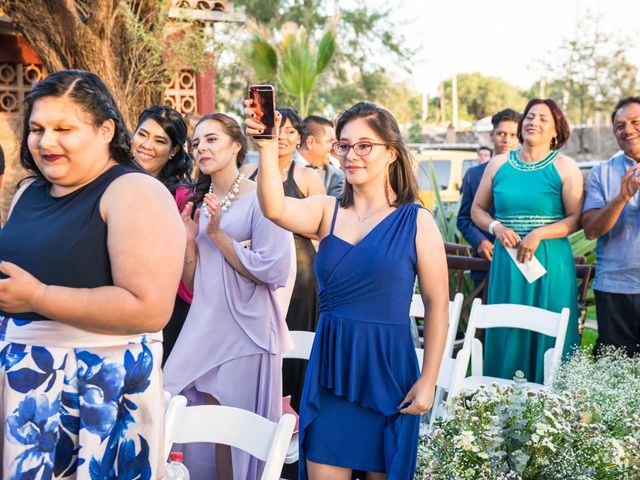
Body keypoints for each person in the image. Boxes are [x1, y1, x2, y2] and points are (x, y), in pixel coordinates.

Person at [245, 101, 449, 480]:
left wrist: (428, 380)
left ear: (391, 153)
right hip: (330, 371)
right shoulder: (326, 211)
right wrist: (266, 146)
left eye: (364, 145)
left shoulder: (417, 221)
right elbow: (273, 208)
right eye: (343, 145)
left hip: (389, 373)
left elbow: (438, 305)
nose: (351, 154)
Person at [0, 70, 184, 478]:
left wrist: (37, 298)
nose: (45, 141)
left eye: (63, 128)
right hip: (19, 385)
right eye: (37, 128)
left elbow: (148, 309)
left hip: (92, 391)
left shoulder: (134, 192)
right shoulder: (29, 191)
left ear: (105, 130)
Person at [163, 113, 293, 479]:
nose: (201, 148)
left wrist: (219, 235)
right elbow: (195, 279)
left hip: (247, 331)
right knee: (170, 400)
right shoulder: (200, 202)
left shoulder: (263, 199)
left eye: (212, 139)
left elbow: (274, 270)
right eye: (196, 143)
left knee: (236, 437)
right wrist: (190, 241)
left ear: (237, 145)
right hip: (204, 323)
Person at [471, 98, 582, 384]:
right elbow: (477, 210)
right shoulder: (497, 164)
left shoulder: (566, 167)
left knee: (550, 331)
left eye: (544, 119)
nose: (534, 122)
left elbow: (575, 219)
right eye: (530, 116)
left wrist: (539, 233)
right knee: (507, 330)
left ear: (557, 130)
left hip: (549, 262)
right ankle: (498, 404)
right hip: (508, 264)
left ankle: (550, 412)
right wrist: (495, 227)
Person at [243, 108, 325, 414]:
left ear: (299, 139)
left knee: (296, 346)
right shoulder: (246, 175)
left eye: (291, 131)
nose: (284, 137)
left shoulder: (307, 176)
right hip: (258, 273)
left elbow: (321, 231)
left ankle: (296, 425)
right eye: (279, 130)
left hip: (302, 274)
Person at [132, 104, 193, 365]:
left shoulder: (182, 196)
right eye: (142, 134)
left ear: (174, 151)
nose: (147, 145)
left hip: (163, 303)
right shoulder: (109, 181)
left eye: (160, 140)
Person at [582, 97, 640, 356]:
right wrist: (622, 197)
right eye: (620, 126)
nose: (627, 130)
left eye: (635, 122)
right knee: (615, 374)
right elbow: (591, 230)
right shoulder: (601, 172)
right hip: (615, 287)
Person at [457, 109, 521, 286]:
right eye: (501, 133)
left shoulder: (529, 174)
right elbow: (464, 218)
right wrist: (480, 242)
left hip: (521, 260)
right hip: (486, 261)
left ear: (520, 138)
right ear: (492, 135)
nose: (506, 139)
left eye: (513, 135)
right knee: (484, 312)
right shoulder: (474, 174)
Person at [298, 115, 345, 198]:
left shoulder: (335, 176)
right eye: (330, 141)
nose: (335, 146)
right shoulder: (278, 165)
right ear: (310, 142)